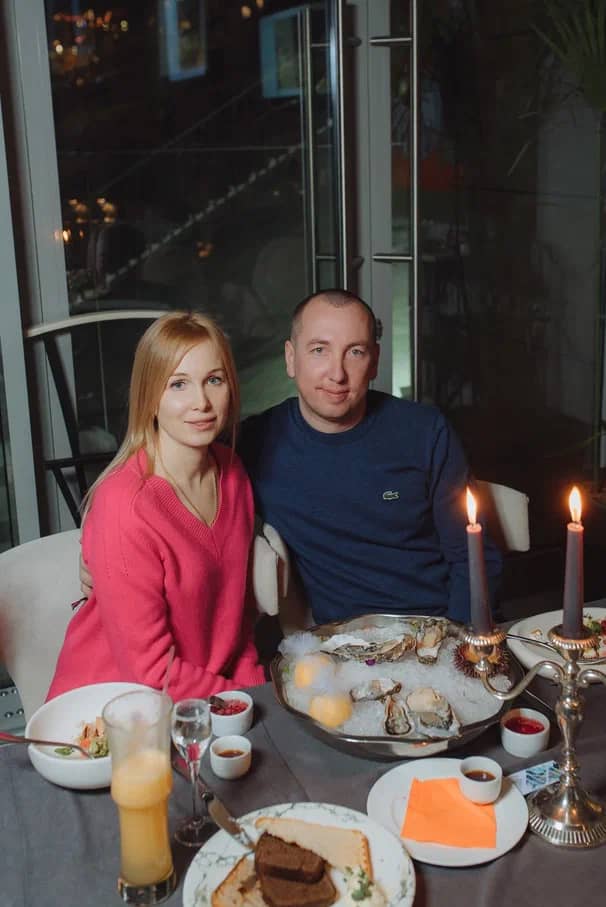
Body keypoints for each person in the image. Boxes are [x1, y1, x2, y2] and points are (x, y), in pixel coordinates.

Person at [237, 289, 502, 625]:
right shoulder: (257, 442)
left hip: (439, 625)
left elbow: (472, 557)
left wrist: (458, 641)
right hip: (346, 644)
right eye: (319, 350)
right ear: (291, 358)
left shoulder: (424, 431)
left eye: (355, 352)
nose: (337, 373)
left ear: (374, 361)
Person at [48, 311, 265, 702]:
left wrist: (257, 692)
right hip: (111, 709)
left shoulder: (232, 473)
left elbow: (236, 617)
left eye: (214, 380)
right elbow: (150, 672)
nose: (201, 402)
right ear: (150, 397)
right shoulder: (124, 507)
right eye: (178, 384)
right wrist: (243, 699)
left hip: (202, 700)